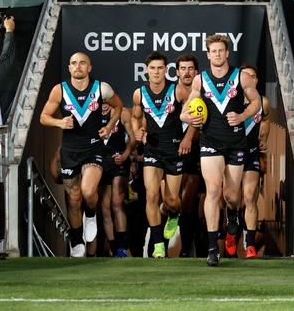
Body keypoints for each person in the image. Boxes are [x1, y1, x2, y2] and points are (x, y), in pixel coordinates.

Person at [180, 34, 261, 266]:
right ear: (208, 55)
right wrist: (189, 118)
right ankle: (213, 248)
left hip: (236, 143)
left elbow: (257, 102)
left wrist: (243, 115)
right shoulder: (199, 80)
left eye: (220, 51)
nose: (217, 54)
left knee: (232, 196)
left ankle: (233, 213)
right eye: (212, 51)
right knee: (213, 191)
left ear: (227, 53)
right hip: (210, 142)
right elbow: (184, 112)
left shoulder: (241, 77)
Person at [40, 52, 123, 257]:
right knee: (74, 199)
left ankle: (91, 215)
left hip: (94, 149)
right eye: (74, 63)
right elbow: (43, 117)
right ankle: (77, 240)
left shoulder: (101, 88)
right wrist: (60, 122)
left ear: (89, 67)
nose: (78, 66)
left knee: (87, 192)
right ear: (69, 68)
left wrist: (110, 125)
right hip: (70, 151)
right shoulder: (59, 90)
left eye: (82, 63)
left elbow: (119, 106)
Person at [132, 52, 194, 258]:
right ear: (146, 70)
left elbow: (196, 115)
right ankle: (158, 243)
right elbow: (135, 116)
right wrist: (137, 132)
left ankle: (174, 214)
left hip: (175, 151)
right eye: (152, 68)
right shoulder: (139, 94)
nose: (156, 72)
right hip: (152, 151)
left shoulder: (178, 91)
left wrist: (188, 138)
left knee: (171, 200)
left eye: (160, 68)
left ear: (166, 70)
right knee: (151, 194)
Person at [238, 64, 270, 259]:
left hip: (251, 154)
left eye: (253, 76)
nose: (250, 79)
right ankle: (232, 230)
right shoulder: (230, 102)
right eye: (246, 76)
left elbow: (265, 120)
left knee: (250, 197)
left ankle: (250, 244)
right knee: (231, 200)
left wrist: (263, 138)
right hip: (231, 156)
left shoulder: (263, 102)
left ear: (256, 81)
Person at [99, 102, 135, 257]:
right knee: (105, 207)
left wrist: (126, 155)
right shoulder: (90, 114)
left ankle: (122, 246)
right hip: (100, 163)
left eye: (106, 102)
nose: (103, 105)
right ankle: (114, 247)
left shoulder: (123, 113)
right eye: (101, 102)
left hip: (119, 161)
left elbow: (132, 139)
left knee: (117, 202)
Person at [175, 53, 200, 257]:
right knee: (171, 201)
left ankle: (187, 248)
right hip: (173, 151)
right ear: (177, 72)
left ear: (196, 72)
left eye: (190, 68)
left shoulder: (202, 91)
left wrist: (189, 138)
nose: (187, 72)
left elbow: (197, 121)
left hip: (199, 151)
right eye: (183, 69)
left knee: (190, 203)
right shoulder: (171, 91)